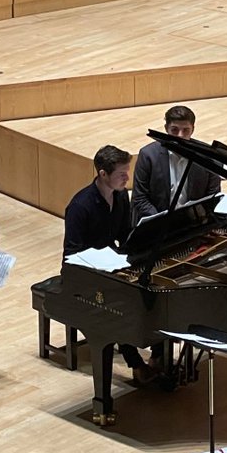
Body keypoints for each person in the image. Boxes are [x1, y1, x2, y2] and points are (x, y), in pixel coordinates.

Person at [63, 145, 153, 385]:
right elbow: (70, 254)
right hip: (83, 273)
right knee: (117, 309)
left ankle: (155, 352)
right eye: (122, 174)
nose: (127, 178)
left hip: (110, 266)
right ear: (103, 174)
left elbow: (124, 236)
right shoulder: (80, 207)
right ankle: (135, 362)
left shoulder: (121, 196)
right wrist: (101, 262)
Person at [131, 105, 221, 227]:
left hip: (193, 224)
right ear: (166, 128)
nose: (180, 135)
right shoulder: (148, 155)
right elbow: (140, 198)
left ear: (192, 130)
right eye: (174, 130)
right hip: (157, 225)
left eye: (186, 130)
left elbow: (213, 195)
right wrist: (160, 222)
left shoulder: (208, 157)